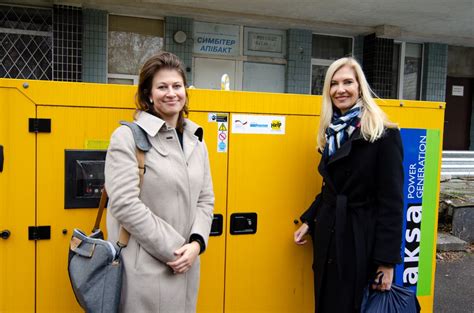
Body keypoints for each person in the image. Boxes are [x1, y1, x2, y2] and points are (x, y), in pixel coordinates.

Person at [105, 52, 214, 313]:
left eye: (177, 86)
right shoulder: (126, 138)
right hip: (144, 270)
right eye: (162, 87)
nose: (171, 93)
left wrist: (197, 244)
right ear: (148, 94)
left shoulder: (195, 140)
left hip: (186, 265)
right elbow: (124, 204)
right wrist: (176, 250)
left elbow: (205, 199)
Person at [294, 57, 403, 313]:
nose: (340, 89)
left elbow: (392, 204)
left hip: (360, 240)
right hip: (329, 235)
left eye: (347, 82)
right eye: (333, 83)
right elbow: (330, 189)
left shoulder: (383, 134)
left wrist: (386, 263)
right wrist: (310, 221)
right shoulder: (331, 132)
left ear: (360, 87)